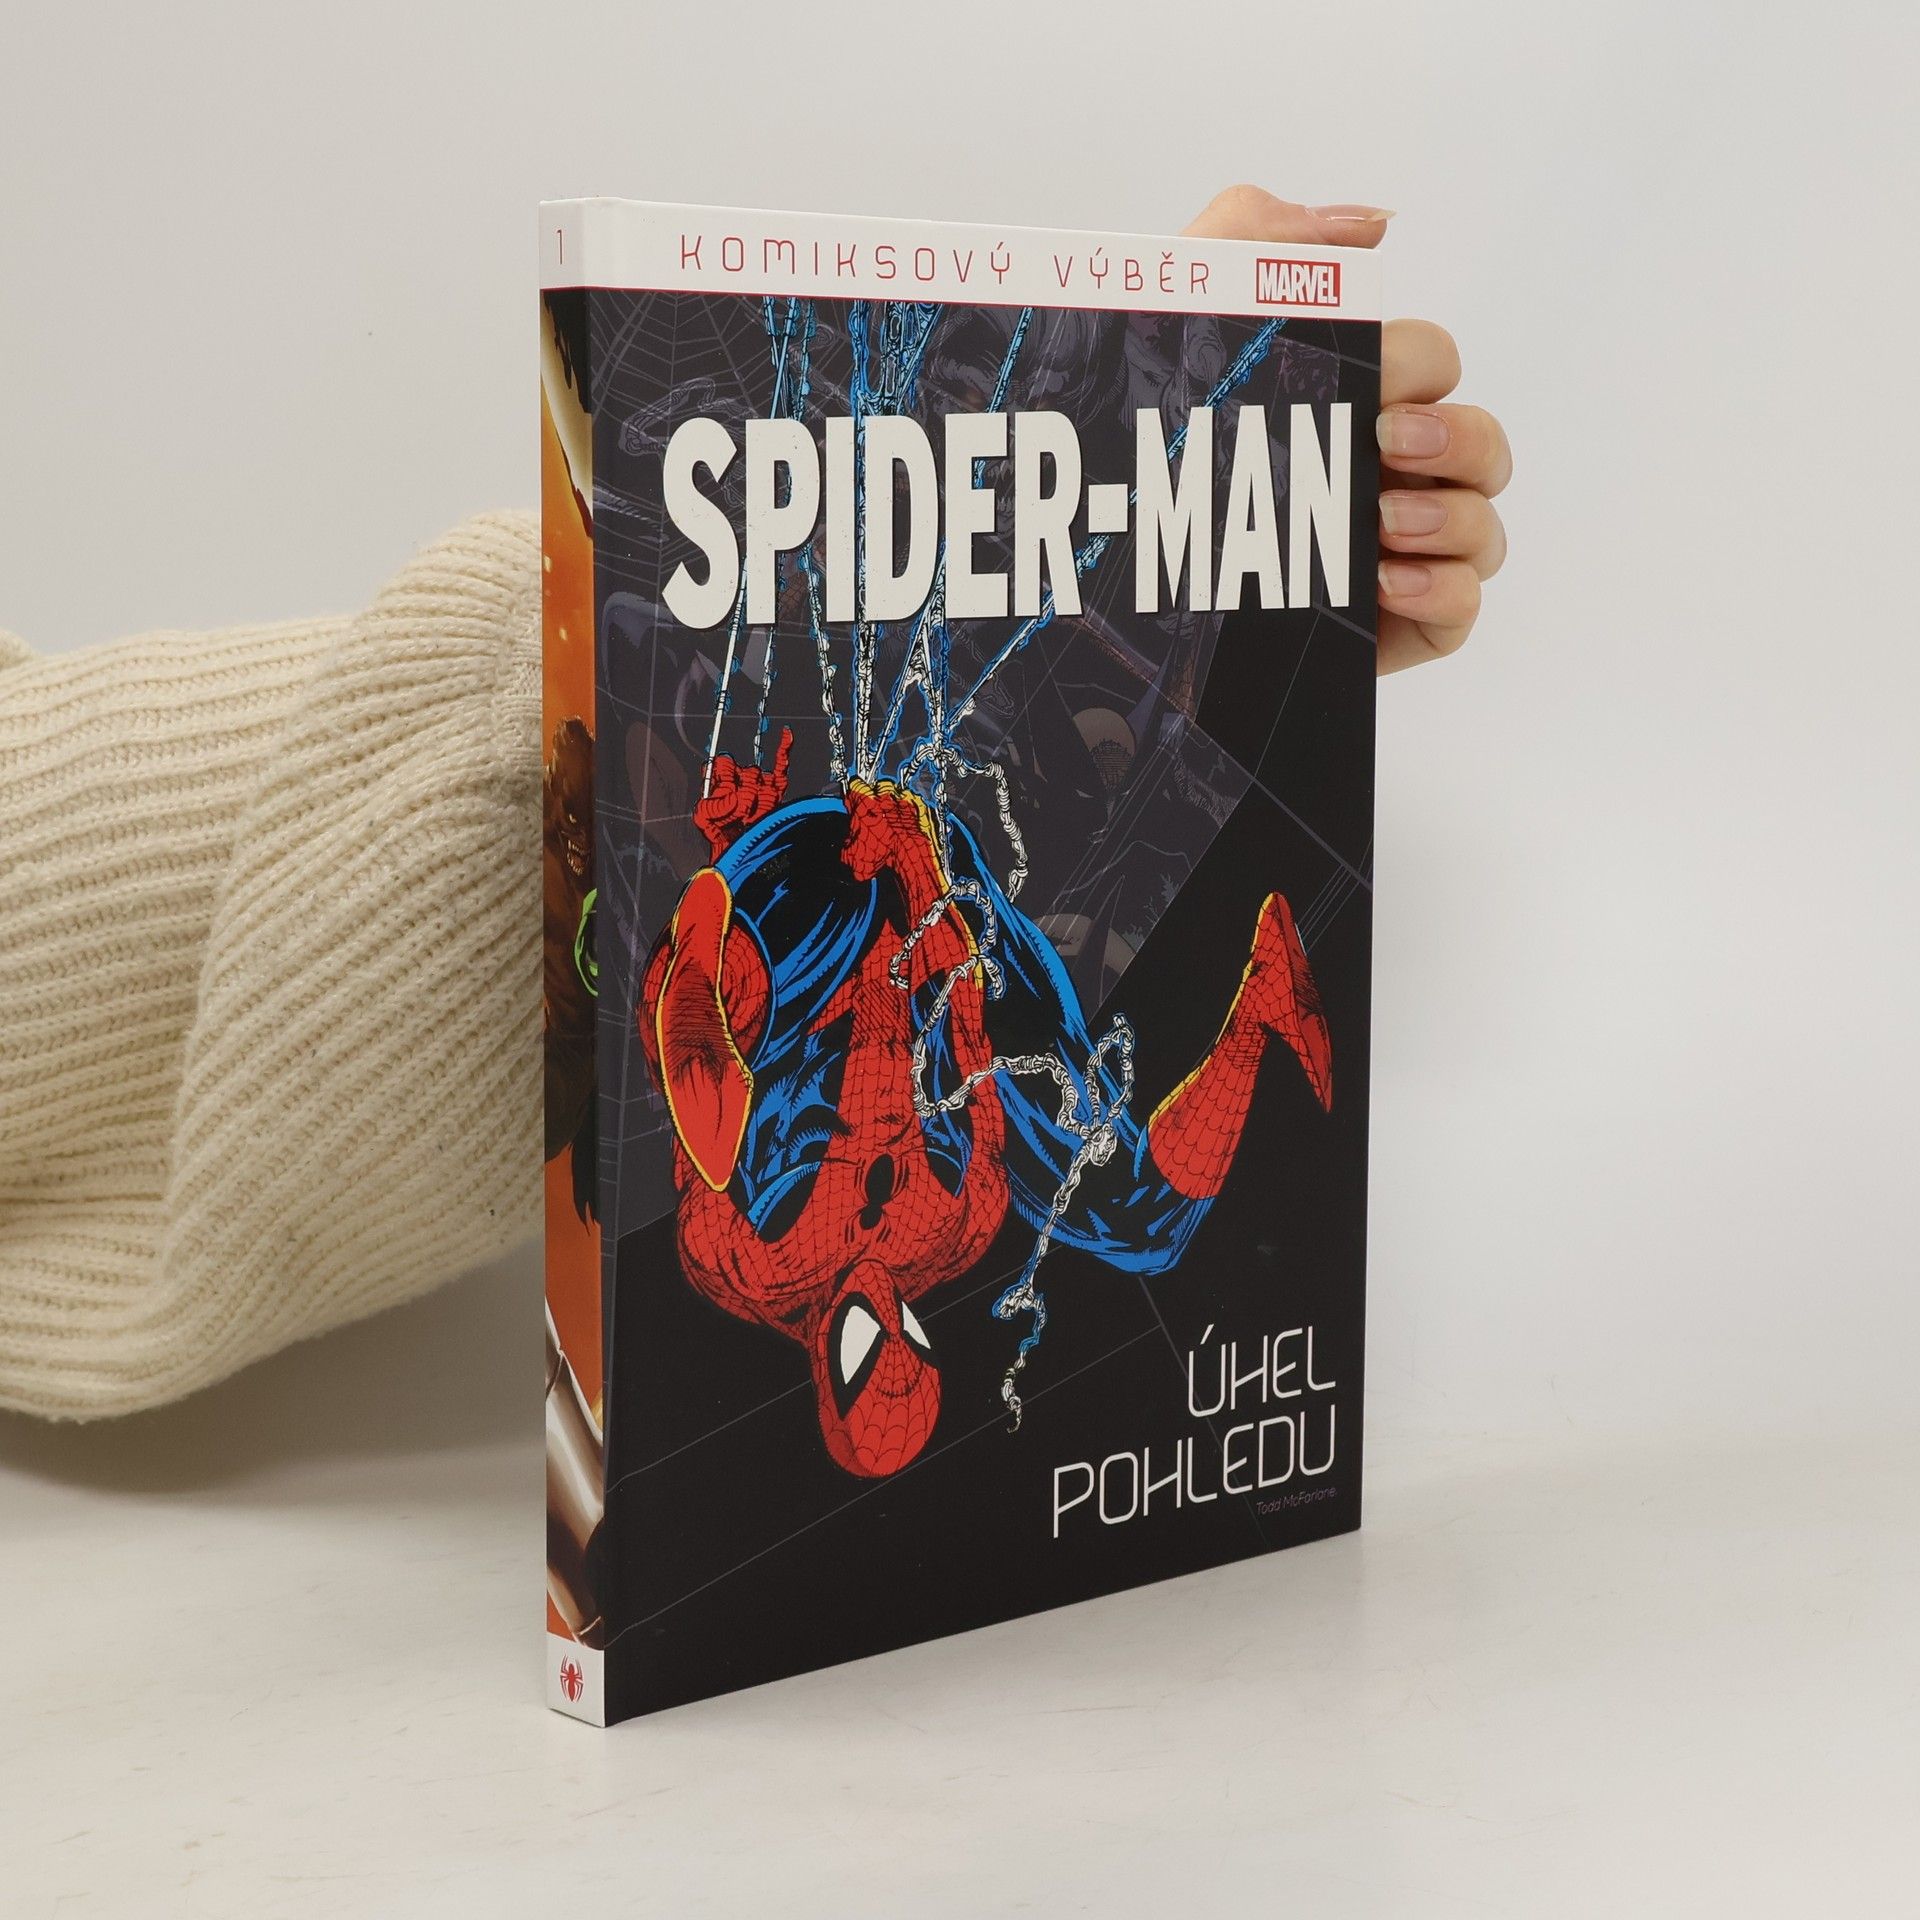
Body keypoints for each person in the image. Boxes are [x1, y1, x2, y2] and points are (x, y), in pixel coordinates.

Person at [0, 189, 1510, 1421]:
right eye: (909, 1363)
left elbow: (699, 1046)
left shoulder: (769, 1257)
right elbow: (859, 1054)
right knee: (1130, 1205)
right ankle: (1240, 983)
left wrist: (1129, 495)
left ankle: (1233, 972)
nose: (892, 1339)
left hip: (806, 921)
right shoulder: (876, 1240)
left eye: (878, 1368)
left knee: (1129, 1206)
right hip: (844, 910)